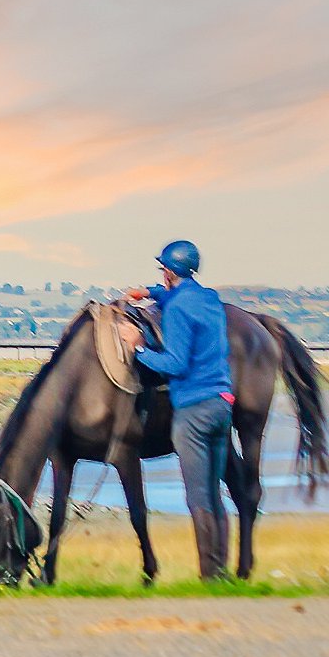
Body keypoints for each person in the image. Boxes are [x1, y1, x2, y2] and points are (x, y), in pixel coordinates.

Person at [125, 240, 234, 580]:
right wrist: (150, 292)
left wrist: (138, 349)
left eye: (163, 270)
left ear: (170, 270)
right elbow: (175, 294)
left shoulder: (177, 311)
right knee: (215, 493)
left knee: (197, 496)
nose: (162, 273)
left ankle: (209, 576)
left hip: (192, 411)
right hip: (222, 404)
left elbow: (174, 363)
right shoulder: (209, 299)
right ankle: (221, 572)